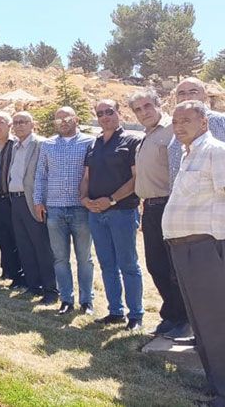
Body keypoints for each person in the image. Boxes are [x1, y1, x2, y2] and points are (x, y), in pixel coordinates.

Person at [162, 100, 225, 407]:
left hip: (205, 248)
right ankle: (216, 386)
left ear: (204, 123)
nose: (179, 125)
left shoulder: (216, 152)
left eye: (186, 119)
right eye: (175, 121)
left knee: (217, 323)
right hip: (185, 249)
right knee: (202, 324)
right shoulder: (189, 155)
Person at [128, 88, 189, 339]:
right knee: (156, 265)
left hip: (169, 204)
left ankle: (183, 318)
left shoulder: (172, 132)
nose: (144, 113)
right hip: (150, 208)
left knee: (175, 267)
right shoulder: (146, 136)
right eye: (138, 110)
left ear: (158, 104)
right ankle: (172, 314)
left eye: (147, 106)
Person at [81, 99, 144, 330]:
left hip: (122, 212)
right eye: (100, 113)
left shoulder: (133, 141)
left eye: (109, 112)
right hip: (96, 214)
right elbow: (86, 177)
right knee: (107, 264)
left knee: (128, 264)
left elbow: (136, 179)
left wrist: (111, 200)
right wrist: (84, 199)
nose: (105, 116)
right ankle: (115, 311)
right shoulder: (94, 144)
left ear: (119, 113)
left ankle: (136, 315)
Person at [34, 106, 95, 315]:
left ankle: (86, 301)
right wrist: (38, 201)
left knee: (84, 258)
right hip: (55, 208)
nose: (63, 122)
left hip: (81, 209)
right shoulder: (48, 145)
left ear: (76, 119)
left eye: (67, 118)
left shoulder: (89, 142)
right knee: (60, 258)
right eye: (58, 119)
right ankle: (66, 299)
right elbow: (41, 174)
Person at [8, 112, 57, 304]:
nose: (19, 125)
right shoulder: (15, 145)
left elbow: (45, 174)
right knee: (24, 244)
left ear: (32, 124)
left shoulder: (40, 144)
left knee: (41, 245)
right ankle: (33, 285)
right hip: (16, 200)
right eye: (16, 122)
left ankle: (51, 290)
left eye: (23, 122)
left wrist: (41, 201)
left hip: (33, 200)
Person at [0, 112, 25, 288]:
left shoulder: (16, 146)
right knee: (3, 238)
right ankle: (10, 272)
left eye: (0, 122)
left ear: (9, 125)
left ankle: (22, 276)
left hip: (12, 200)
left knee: (18, 238)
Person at [167, 77, 225, 187]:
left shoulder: (219, 122)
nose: (187, 97)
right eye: (181, 93)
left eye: (193, 92)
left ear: (204, 96)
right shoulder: (175, 126)